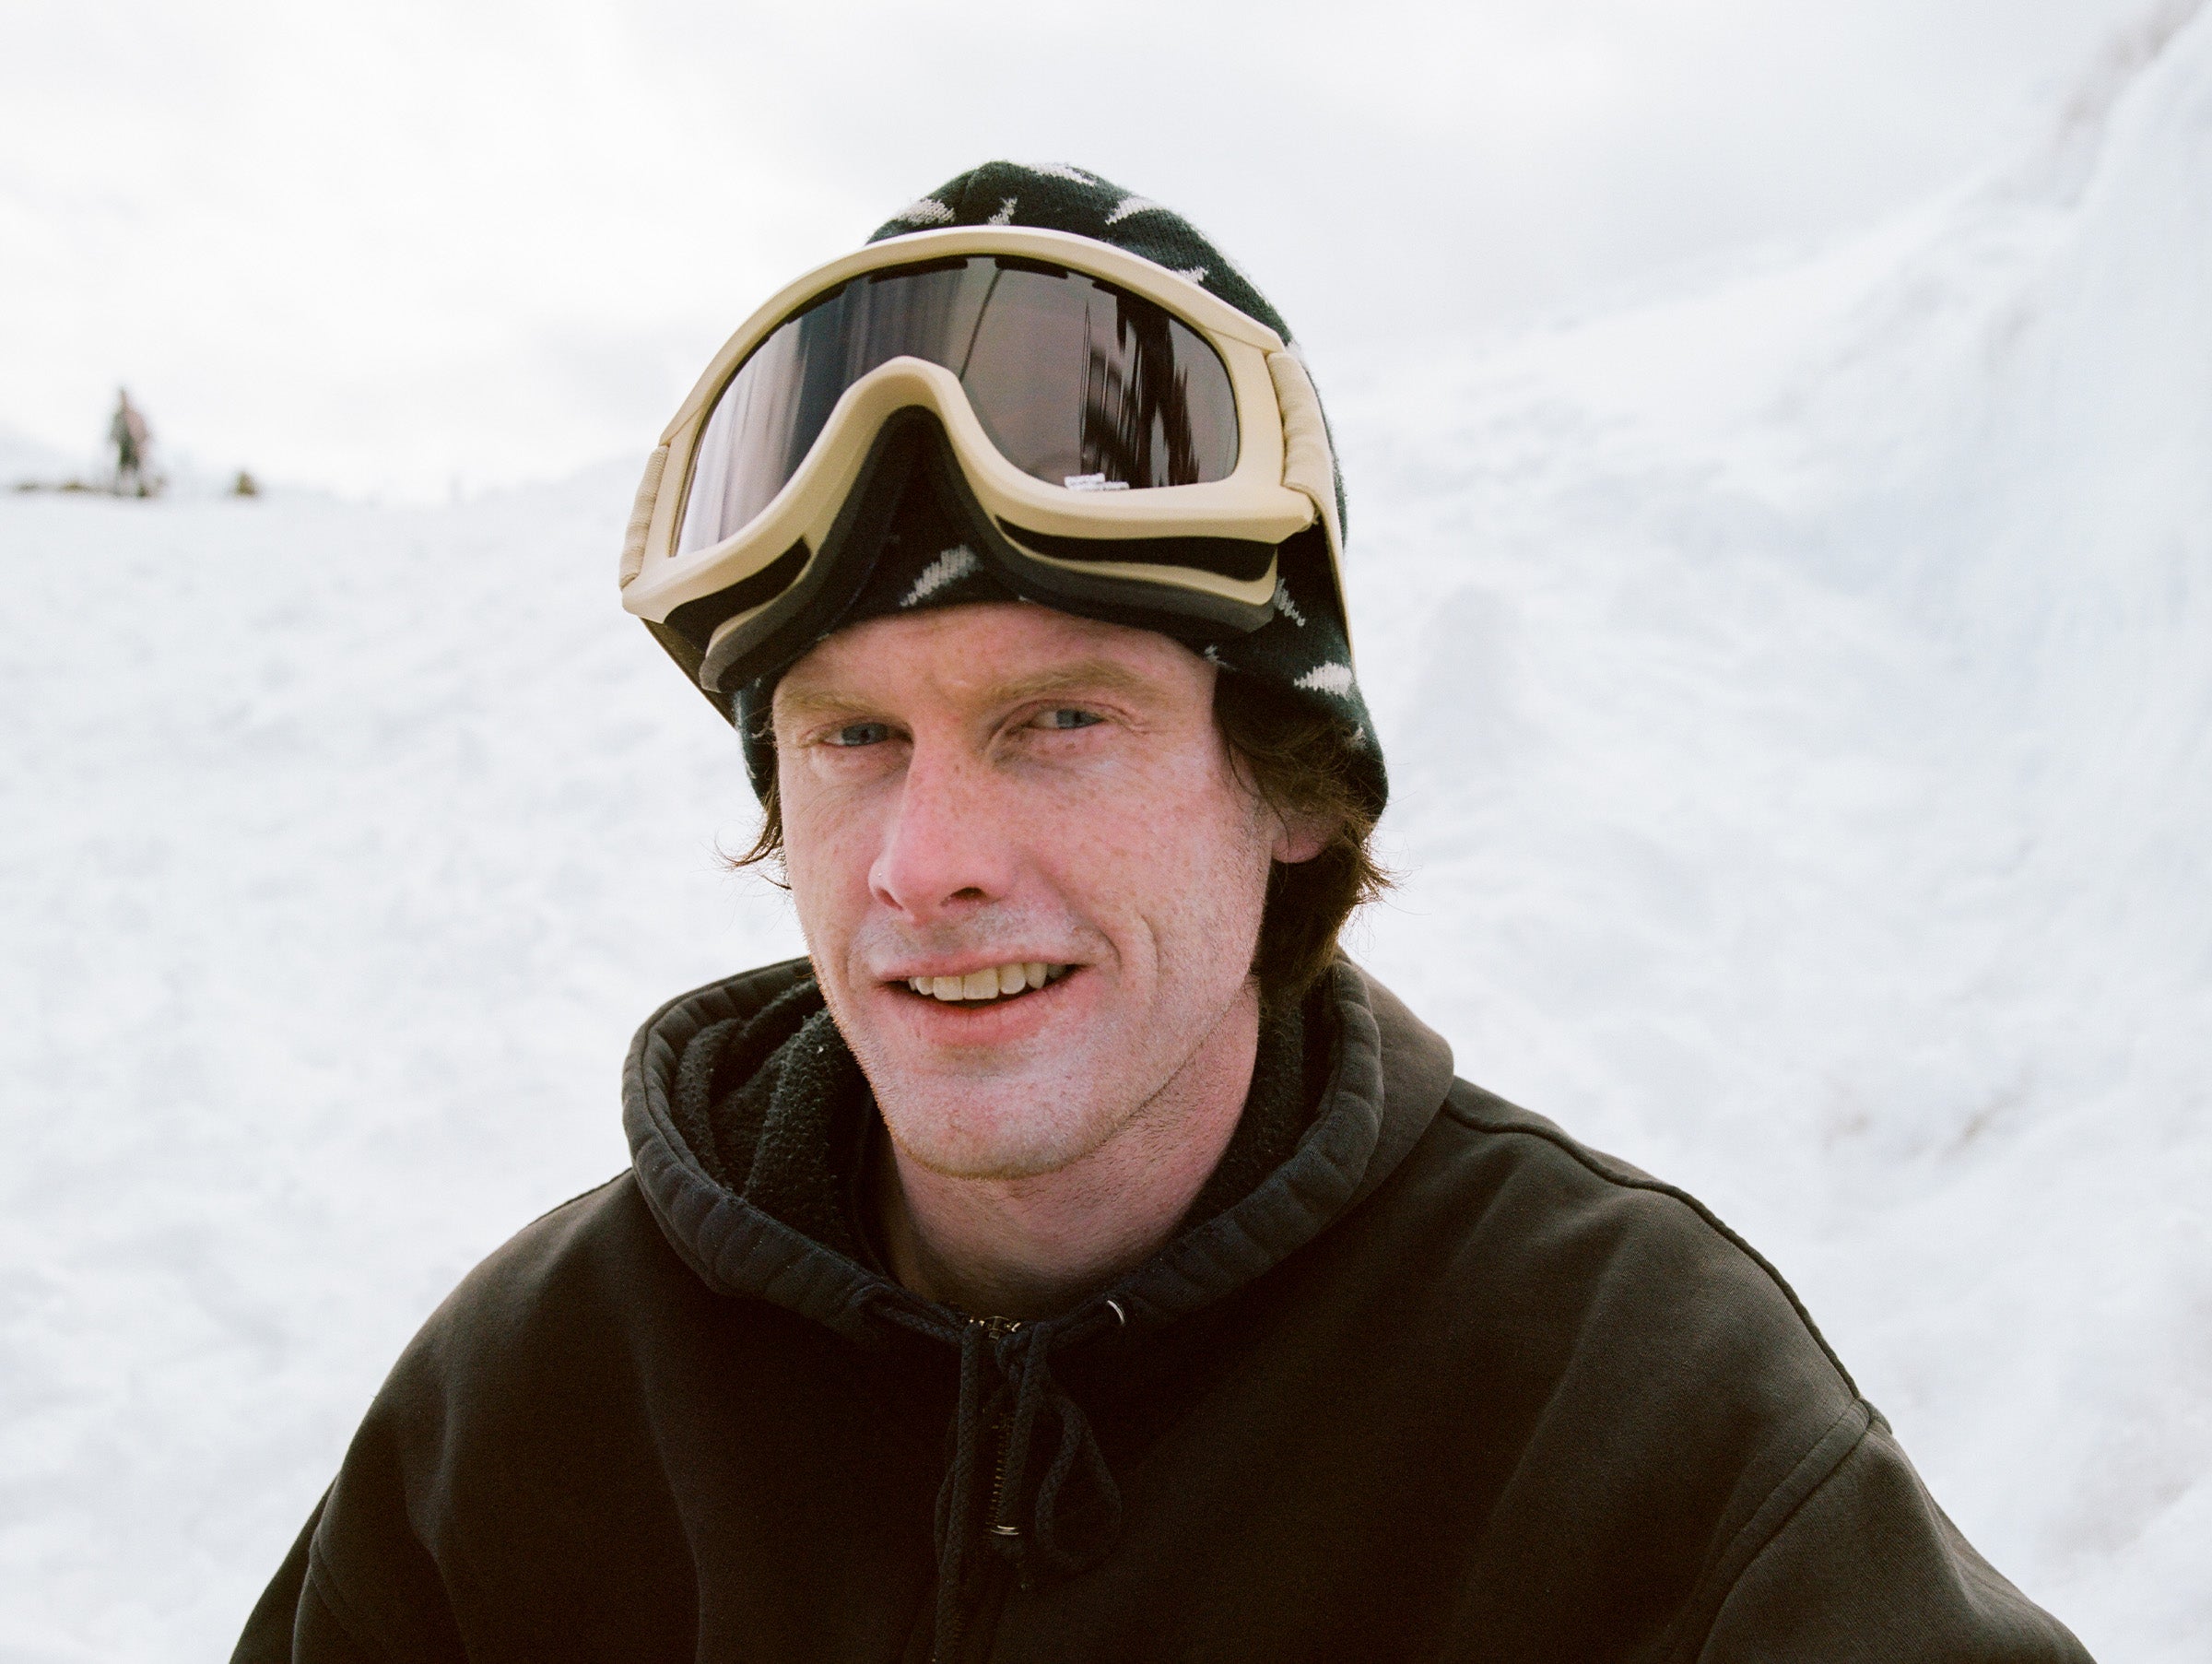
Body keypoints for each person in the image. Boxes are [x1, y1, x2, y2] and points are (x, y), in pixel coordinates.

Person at [232, 162, 2091, 1662]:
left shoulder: (1620, 1427)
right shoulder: (539, 1407)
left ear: (1286, 782)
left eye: (1056, 719)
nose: (921, 856)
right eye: (854, 734)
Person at [109, 387, 150, 497]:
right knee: (122, 469)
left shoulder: (134, 414)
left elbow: (144, 430)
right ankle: (119, 492)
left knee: (138, 470)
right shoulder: (118, 415)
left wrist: (142, 443)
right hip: (123, 447)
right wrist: (112, 439)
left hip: (135, 447)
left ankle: (141, 492)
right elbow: (113, 431)